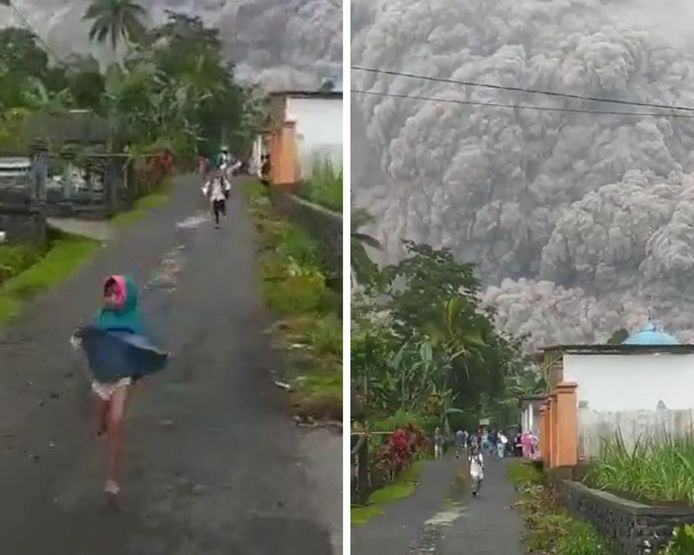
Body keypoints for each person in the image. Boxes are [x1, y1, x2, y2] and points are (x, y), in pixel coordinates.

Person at [90, 275, 145, 498]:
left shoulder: (134, 323)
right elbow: (91, 339)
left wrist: (139, 368)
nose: (111, 298)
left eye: (117, 294)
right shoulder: (101, 317)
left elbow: (141, 349)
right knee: (103, 413)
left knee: (117, 420)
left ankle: (112, 478)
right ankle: (102, 424)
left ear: (127, 298)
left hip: (122, 377)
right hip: (102, 376)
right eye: (108, 293)